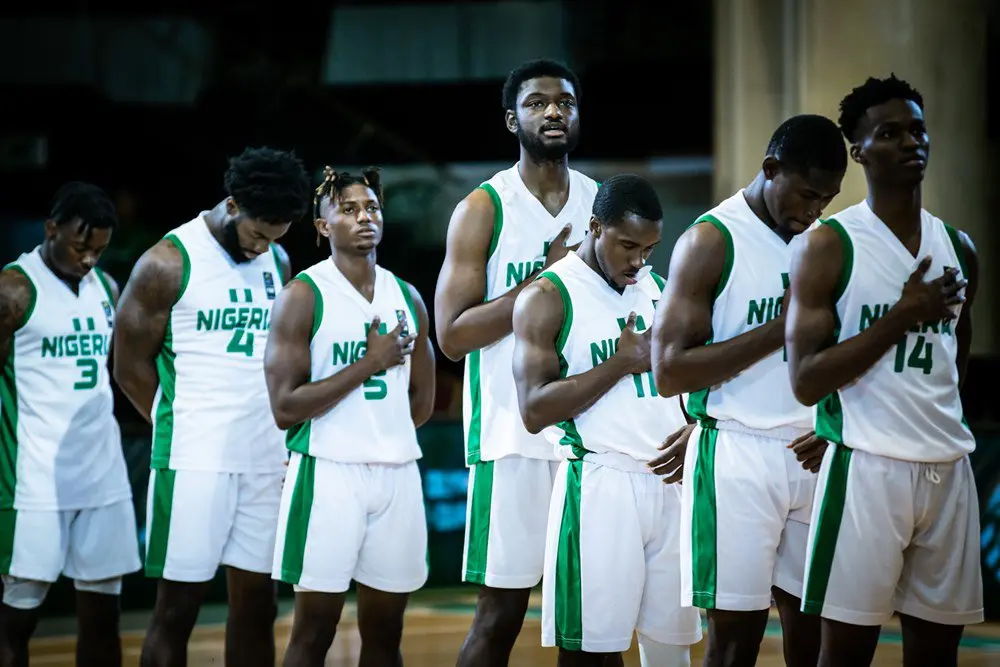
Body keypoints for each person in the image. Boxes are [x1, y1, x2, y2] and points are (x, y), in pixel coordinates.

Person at [785, 74, 982, 667]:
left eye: (917, 130)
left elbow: (955, 358)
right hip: (867, 473)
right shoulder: (829, 246)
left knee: (936, 652)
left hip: (948, 470)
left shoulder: (959, 246)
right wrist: (901, 317)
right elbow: (806, 380)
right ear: (859, 150)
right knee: (845, 653)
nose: (909, 142)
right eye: (890, 133)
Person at [648, 114, 847, 667]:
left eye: (826, 200)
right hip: (737, 453)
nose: (814, 211)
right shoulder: (711, 240)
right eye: (807, 194)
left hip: (815, 449)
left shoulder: (829, 243)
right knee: (736, 640)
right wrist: (780, 327)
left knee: (819, 638)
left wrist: (838, 423)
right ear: (770, 169)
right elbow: (670, 370)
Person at [112, 147, 311, 667]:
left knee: (258, 606)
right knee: (177, 609)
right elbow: (128, 365)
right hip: (193, 459)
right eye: (256, 235)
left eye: (274, 237)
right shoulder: (166, 262)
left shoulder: (278, 258)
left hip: (265, 458)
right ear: (231, 204)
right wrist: (176, 422)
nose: (263, 247)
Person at [434, 58, 599, 666]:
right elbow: (451, 336)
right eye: (537, 103)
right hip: (510, 437)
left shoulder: (600, 203)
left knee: (591, 619)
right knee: (500, 613)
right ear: (513, 119)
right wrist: (547, 278)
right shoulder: (484, 208)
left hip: (591, 436)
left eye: (566, 102)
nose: (554, 112)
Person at [511, 174, 703, 667]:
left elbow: (692, 382)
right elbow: (534, 411)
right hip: (601, 484)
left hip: (672, 484)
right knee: (592, 651)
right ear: (595, 227)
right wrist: (619, 363)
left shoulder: (657, 290)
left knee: (671, 650)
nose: (639, 260)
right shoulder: (548, 297)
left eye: (650, 248)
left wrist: (695, 427)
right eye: (627, 246)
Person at [264, 167, 436, 667]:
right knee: (313, 633)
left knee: (386, 634)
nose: (365, 217)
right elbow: (283, 408)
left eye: (372, 208)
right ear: (322, 227)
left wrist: (384, 433)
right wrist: (369, 364)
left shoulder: (408, 296)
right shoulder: (302, 296)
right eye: (349, 209)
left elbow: (421, 401)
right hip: (327, 473)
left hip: (397, 472)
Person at [0, 182, 138, 667]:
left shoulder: (107, 288)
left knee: (103, 618)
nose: (88, 260)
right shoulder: (13, 289)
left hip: (101, 474)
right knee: (18, 618)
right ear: (51, 229)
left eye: (98, 250)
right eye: (80, 247)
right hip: (33, 478)